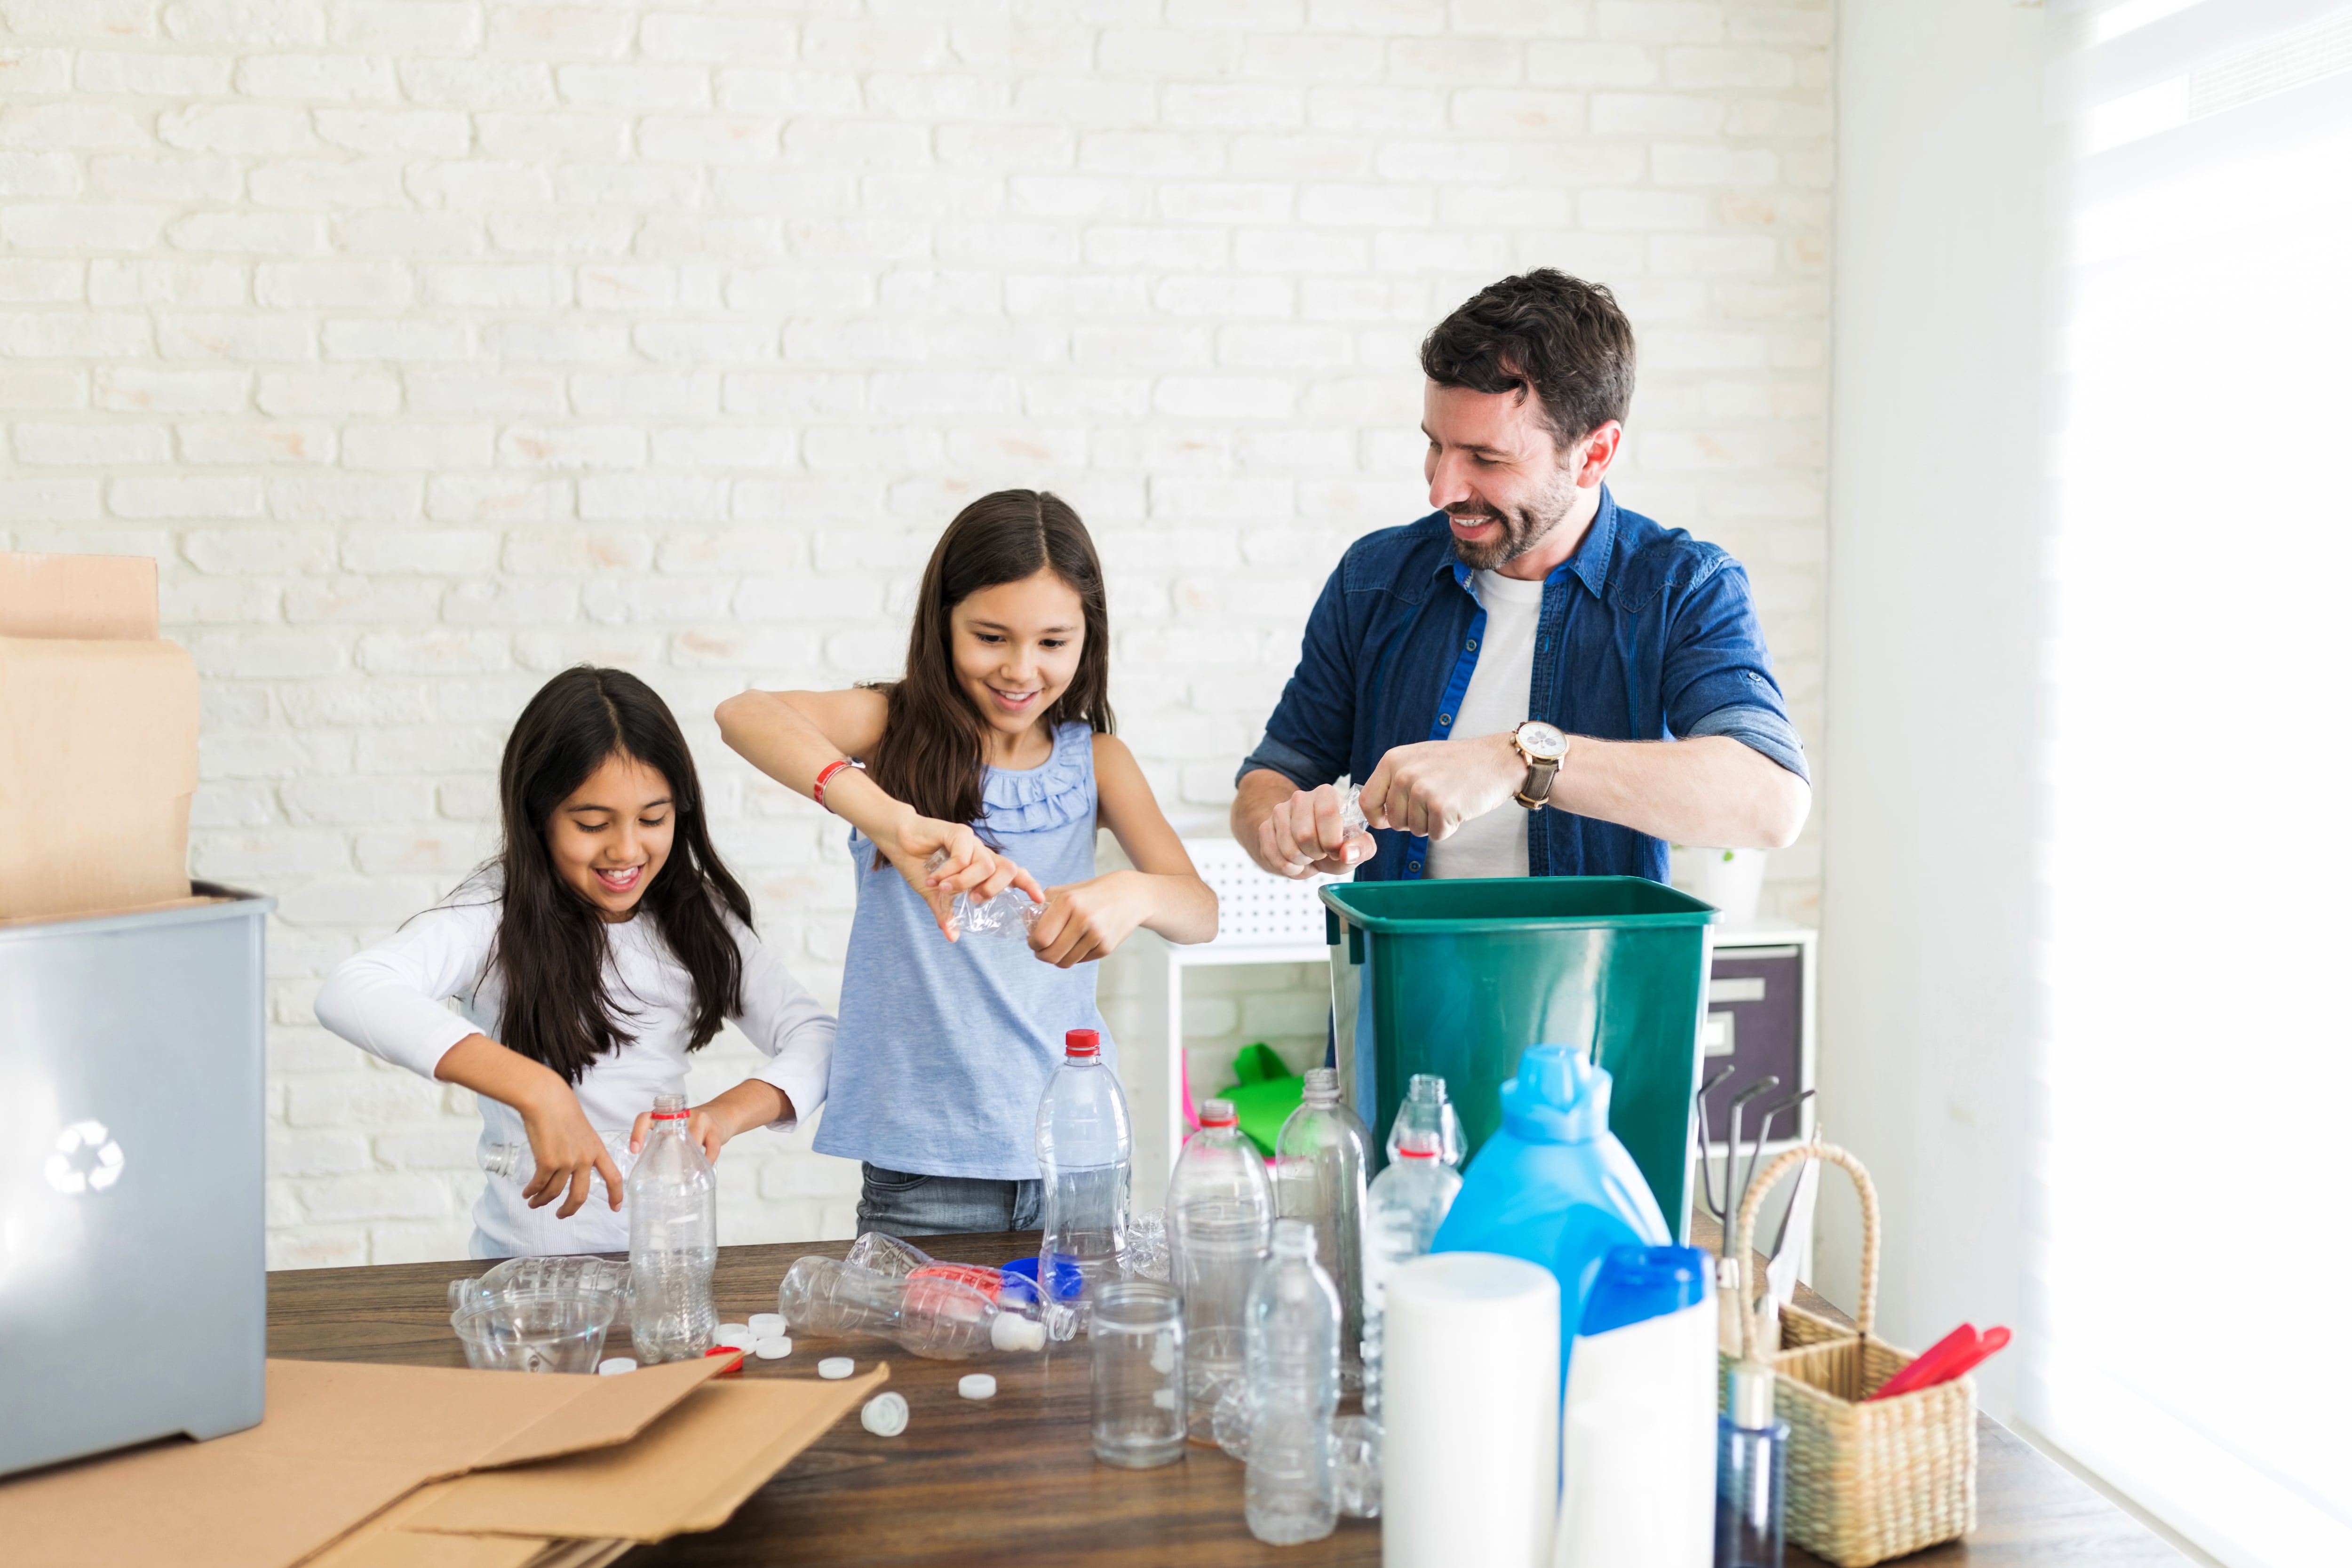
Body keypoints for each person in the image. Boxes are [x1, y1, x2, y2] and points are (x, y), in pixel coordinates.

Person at [716, 489, 1217, 1236]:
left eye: (1053, 642)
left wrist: (1135, 893)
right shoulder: (888, 726)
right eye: (991, 637)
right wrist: (890, 821)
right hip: (926, 1168)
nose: (1021, 669)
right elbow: (743, 714)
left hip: (1079, 1155)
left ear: (1088, 639)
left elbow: (1201, 912)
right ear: (943, 622)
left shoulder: (1098, 761)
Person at [1233, 269, 1811, 884]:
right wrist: (1285, 829)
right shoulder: (1373, 578)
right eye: (1436, 446)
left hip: (1595, 953)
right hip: (1400, 952)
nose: (1441, 490)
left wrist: (1519, 760)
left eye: (1486, 458)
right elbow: (1273, 777)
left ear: (1593, 454)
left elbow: (1772, 802)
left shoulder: (1682, 588)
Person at [315, 666, 834, 1259]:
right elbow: (353, 989)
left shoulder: (695, 914)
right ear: (538, 815)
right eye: (592, 824)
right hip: (525, 1272)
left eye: (653, 819)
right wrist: (539, 1090)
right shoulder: (491, 915)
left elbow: (817, 1036)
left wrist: (721, 1116)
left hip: (667, 1263)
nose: (626, 850)